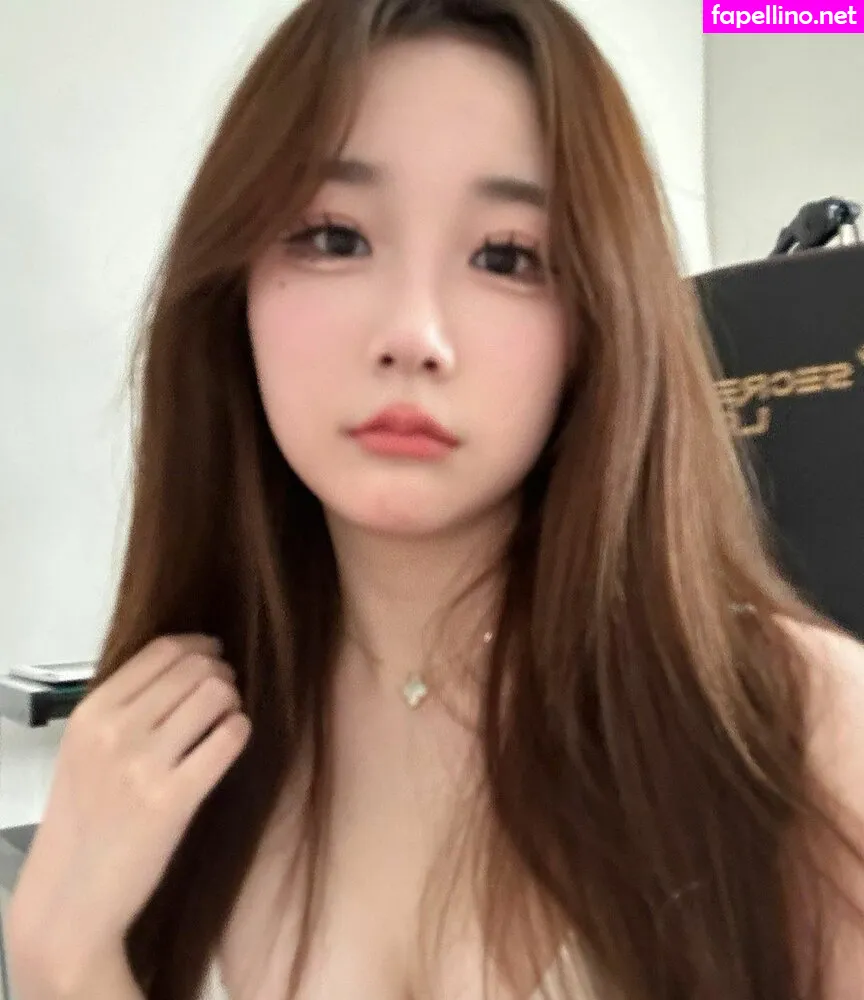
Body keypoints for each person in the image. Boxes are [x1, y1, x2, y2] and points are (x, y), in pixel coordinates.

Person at [6, 0, 864, 997]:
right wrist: (64, 955)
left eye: (507, 256)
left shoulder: (802, 733)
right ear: (232, 287)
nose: (414, 333)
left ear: (601, 316)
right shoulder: (165, 750)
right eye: (333, 236)